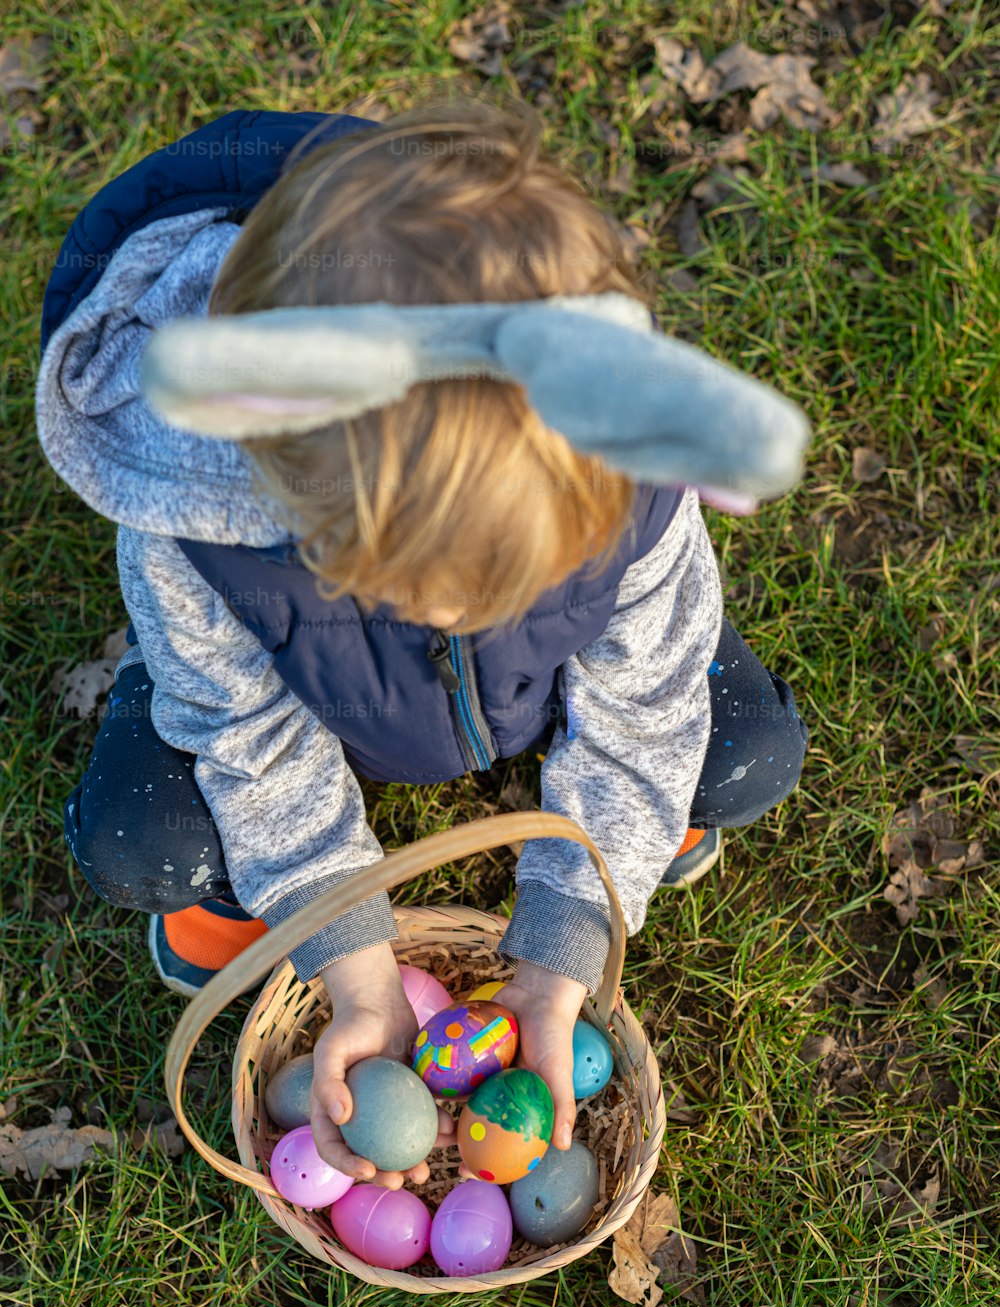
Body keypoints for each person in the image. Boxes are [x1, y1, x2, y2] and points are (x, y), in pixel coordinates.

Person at [36, 96, 810, 1193]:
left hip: (539, 681)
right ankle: (233, 887)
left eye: (504, 581)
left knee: (735, 757)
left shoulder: (624, 467)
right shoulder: (201, 514)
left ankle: (628, 826)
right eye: (420, 588)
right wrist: (352, 961)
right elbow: (249, 736)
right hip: (308, 690)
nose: (451, 617)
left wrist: (563, 940)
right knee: (140, 839)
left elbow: (641, 704)